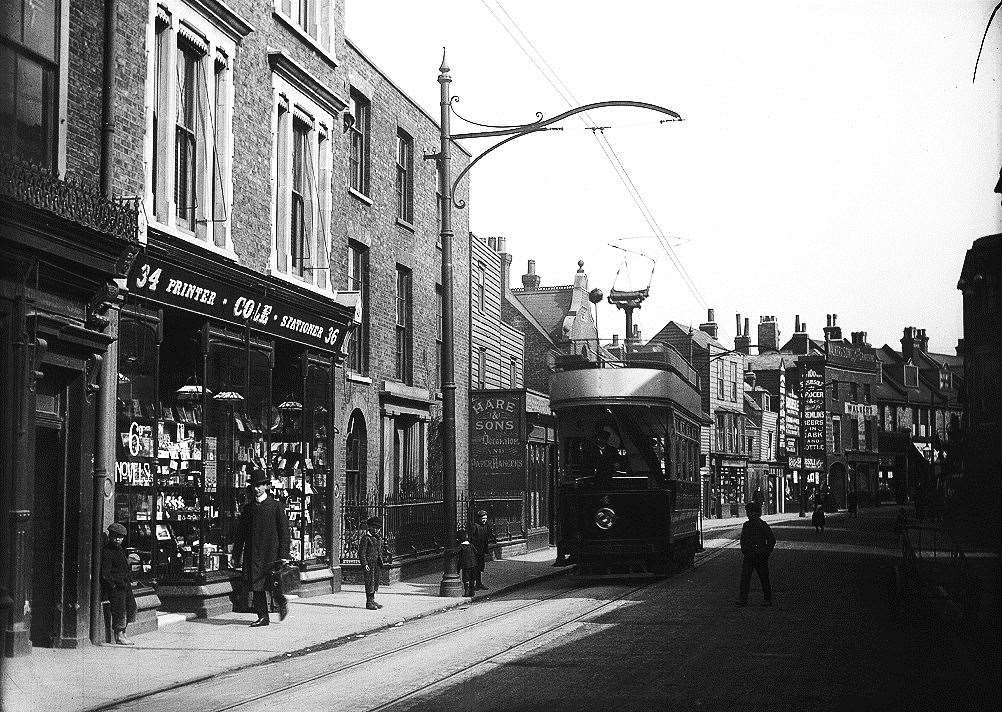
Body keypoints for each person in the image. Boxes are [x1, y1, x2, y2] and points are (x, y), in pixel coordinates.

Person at [232, 470, 291, 627]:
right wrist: (236, 554)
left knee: (273, 584)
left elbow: (284, 532)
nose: (257, 489)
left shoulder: (275, 506)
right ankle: (263, 616)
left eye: (260, 485)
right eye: (254, 486)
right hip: (253, 553)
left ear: (266, 486)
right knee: (256, 584)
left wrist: (284, 554)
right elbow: (240, 534)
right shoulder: (248, 509)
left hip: (271, 553)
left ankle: (281, 602)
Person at [101, 522, 137, 645]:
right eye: (115, 536)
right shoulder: (107, 551)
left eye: (120, 537)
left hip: (125, 585)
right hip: (117, 588)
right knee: (119, 611)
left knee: (130, 608)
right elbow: (105, 573)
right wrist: (113, 585)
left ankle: (124, 632)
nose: (118, 539)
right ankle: (119, 635)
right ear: (110, 536)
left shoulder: (120, 550)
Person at [737, 501, 775, 606]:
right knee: (745, 578)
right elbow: (743, 539)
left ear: (756, 513)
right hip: (749, 555)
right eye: (748, 512)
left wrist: (766, 552)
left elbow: (771, 539)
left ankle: (767, 599)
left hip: (760, 555)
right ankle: (743, 599)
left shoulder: (762, 525)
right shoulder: (746, 525)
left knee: (764, 578)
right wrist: (744, 549)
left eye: (750, 512)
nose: (748, 514)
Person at [357, 516, 385, 610]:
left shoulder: (377, 538)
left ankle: (372, 600)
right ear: (370, 527)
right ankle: (368, 602)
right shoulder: (366, 538)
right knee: (369, 582)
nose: (377, 530)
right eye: (375, 528)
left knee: (375, 582)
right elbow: (361, 553)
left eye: (378, 528)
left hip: (376, 563)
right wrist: (364, 564)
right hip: (369, 564)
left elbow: (379, 550)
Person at [469, 509, 498, 590]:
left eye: (485, 518)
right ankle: (472, 585)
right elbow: (470, 539)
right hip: (474, 551)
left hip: (481, 550)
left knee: (480, 568)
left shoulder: (485, 526)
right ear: (479, 518)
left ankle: (479, 583)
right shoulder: (474, 526)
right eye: (483, 518)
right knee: (474, 568)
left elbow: (488, 537)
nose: (484, 520)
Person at [457, 530, 478, 598]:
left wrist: (458, 569)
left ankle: (466, 591)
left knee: (466, 579)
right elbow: (476, 552)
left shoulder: (461, 547)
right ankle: (472, 591)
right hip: (473, 565)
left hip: (465, 566)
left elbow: (459, 559)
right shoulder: (471, 545)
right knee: (472, 578)